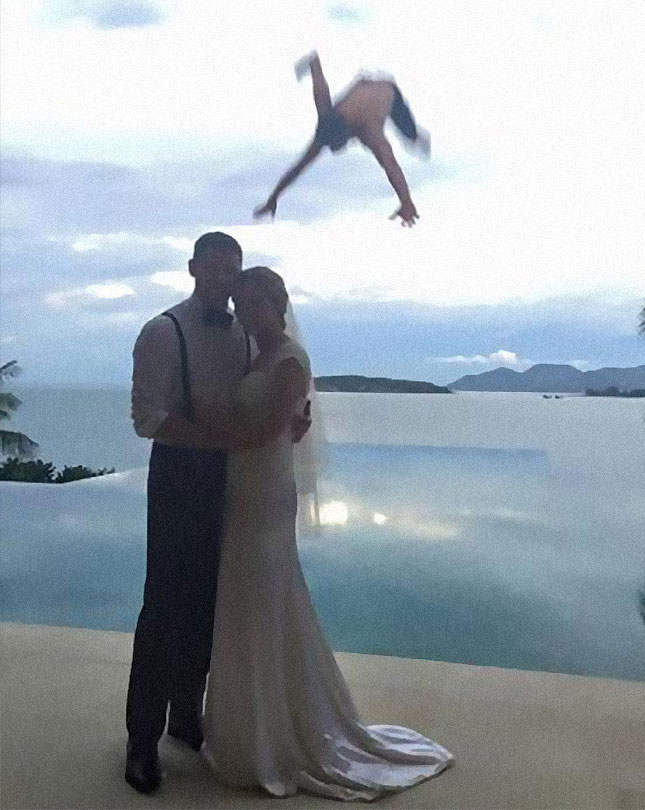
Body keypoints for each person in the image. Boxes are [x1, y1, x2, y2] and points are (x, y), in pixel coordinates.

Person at [202, 266, 454, 801]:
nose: (247, 313)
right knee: (249, 603)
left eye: (256, 303)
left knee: (264, 602)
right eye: (240, 304)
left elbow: (262, 430)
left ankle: (277, 739)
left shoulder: (292, 359)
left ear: (278, 304)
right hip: (242, 490)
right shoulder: (256, 357)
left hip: (265, 494)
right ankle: (249, 731)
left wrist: (190, 433)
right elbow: (267, 424)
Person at [125, 233, 311, 794]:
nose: (225, 284)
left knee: (213, 598)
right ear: (192, 269)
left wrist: (285, 425)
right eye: (214, 272)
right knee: (163, 604)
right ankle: (140, 740)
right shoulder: (162, 332)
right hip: (181, 475)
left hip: (237, 482)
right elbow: (148, 419)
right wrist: (228, 441)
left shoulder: (249, 335)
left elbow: (273, 396)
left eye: (232, 274)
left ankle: (186, 714)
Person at [254, 51, 430, 227]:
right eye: (330, 147)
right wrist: (273, 197)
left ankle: (418, 138)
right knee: (401, 139)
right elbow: (298, 167)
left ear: (349, 134)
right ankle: (414, 138)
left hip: (390, 93)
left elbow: (391, 166)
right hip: (366, 84)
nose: (331, 150)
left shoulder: (370, 132)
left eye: (335, 146)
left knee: (410, 136)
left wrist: (406, 201)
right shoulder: (325, 113)